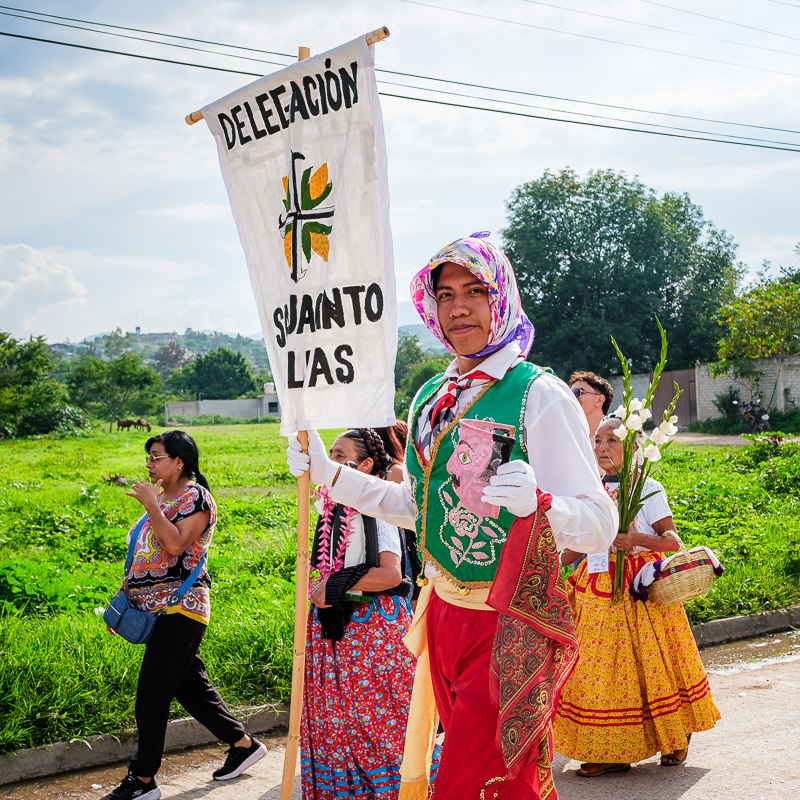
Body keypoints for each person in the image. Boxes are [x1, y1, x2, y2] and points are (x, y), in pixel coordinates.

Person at [288, 233, 617, 800]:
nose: (458, 306)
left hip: (508, 618)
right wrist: (330, 475)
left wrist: (541, 506)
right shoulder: (431, 398)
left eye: (474, 291)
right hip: (440, 610)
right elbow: (416, 509)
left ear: (503, 299)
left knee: (473, 779)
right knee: (494, 780)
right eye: (444, 294)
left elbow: (598, 522)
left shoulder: (538, 395)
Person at [101, 431, 265, 800]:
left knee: (152, 695)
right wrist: (126, 602)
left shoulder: (196, 497)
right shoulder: (162, 497)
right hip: (153, 610)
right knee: (190, 689)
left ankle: (142, 781)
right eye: (148, 457)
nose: (149, 464)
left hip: (182, 607)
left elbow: (176, 543)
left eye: (156, 457)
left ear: (179, 461)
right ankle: (243, 744)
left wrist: (151, 507)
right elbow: (145, 555)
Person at [555, 417, 720, 777]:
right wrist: (548, 565)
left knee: (653, 663)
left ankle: (675, 737)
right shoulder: (590, 490)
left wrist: (636, 541)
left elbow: (673, 542)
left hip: (639, 592)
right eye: (597, 440)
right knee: (597, 667)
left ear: (632, 448)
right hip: (595, 588)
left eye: (611, 440)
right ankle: (610, 748)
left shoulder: (648, 488)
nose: (601, 447)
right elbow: (579, 544)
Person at [301, 425, 419, 800]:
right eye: (328, 454)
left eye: (338, 456)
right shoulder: (330, 510)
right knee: (336, 720)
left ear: (366, 465)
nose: (329, 463)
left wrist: (335, 585)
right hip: (335, 632)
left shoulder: (377, 508)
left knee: (378, 721)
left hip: (373, 634)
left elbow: (390, 574)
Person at [568, 371, 613, 440]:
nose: (572, 399)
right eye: (569, 394)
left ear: (599, 400)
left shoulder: (619, 437)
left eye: (577, 392)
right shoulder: (569, 439)